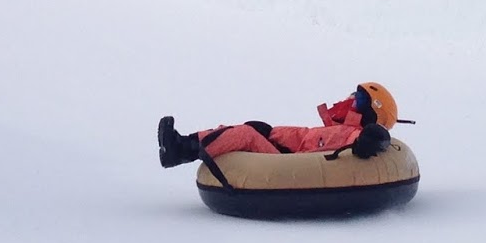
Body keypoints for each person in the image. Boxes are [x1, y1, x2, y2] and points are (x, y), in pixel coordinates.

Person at [156, 83, 399, 168]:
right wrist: (271, 134)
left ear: (372, 112)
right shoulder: (338, 129)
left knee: (246, 134)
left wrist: (374, 137)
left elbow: (367, 143)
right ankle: (186, 142)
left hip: (291, 165)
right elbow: (301, 138)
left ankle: (182, 150)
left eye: (360, 100)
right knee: (255, 128)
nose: (351, 101)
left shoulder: (356, 134)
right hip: (285, 153)